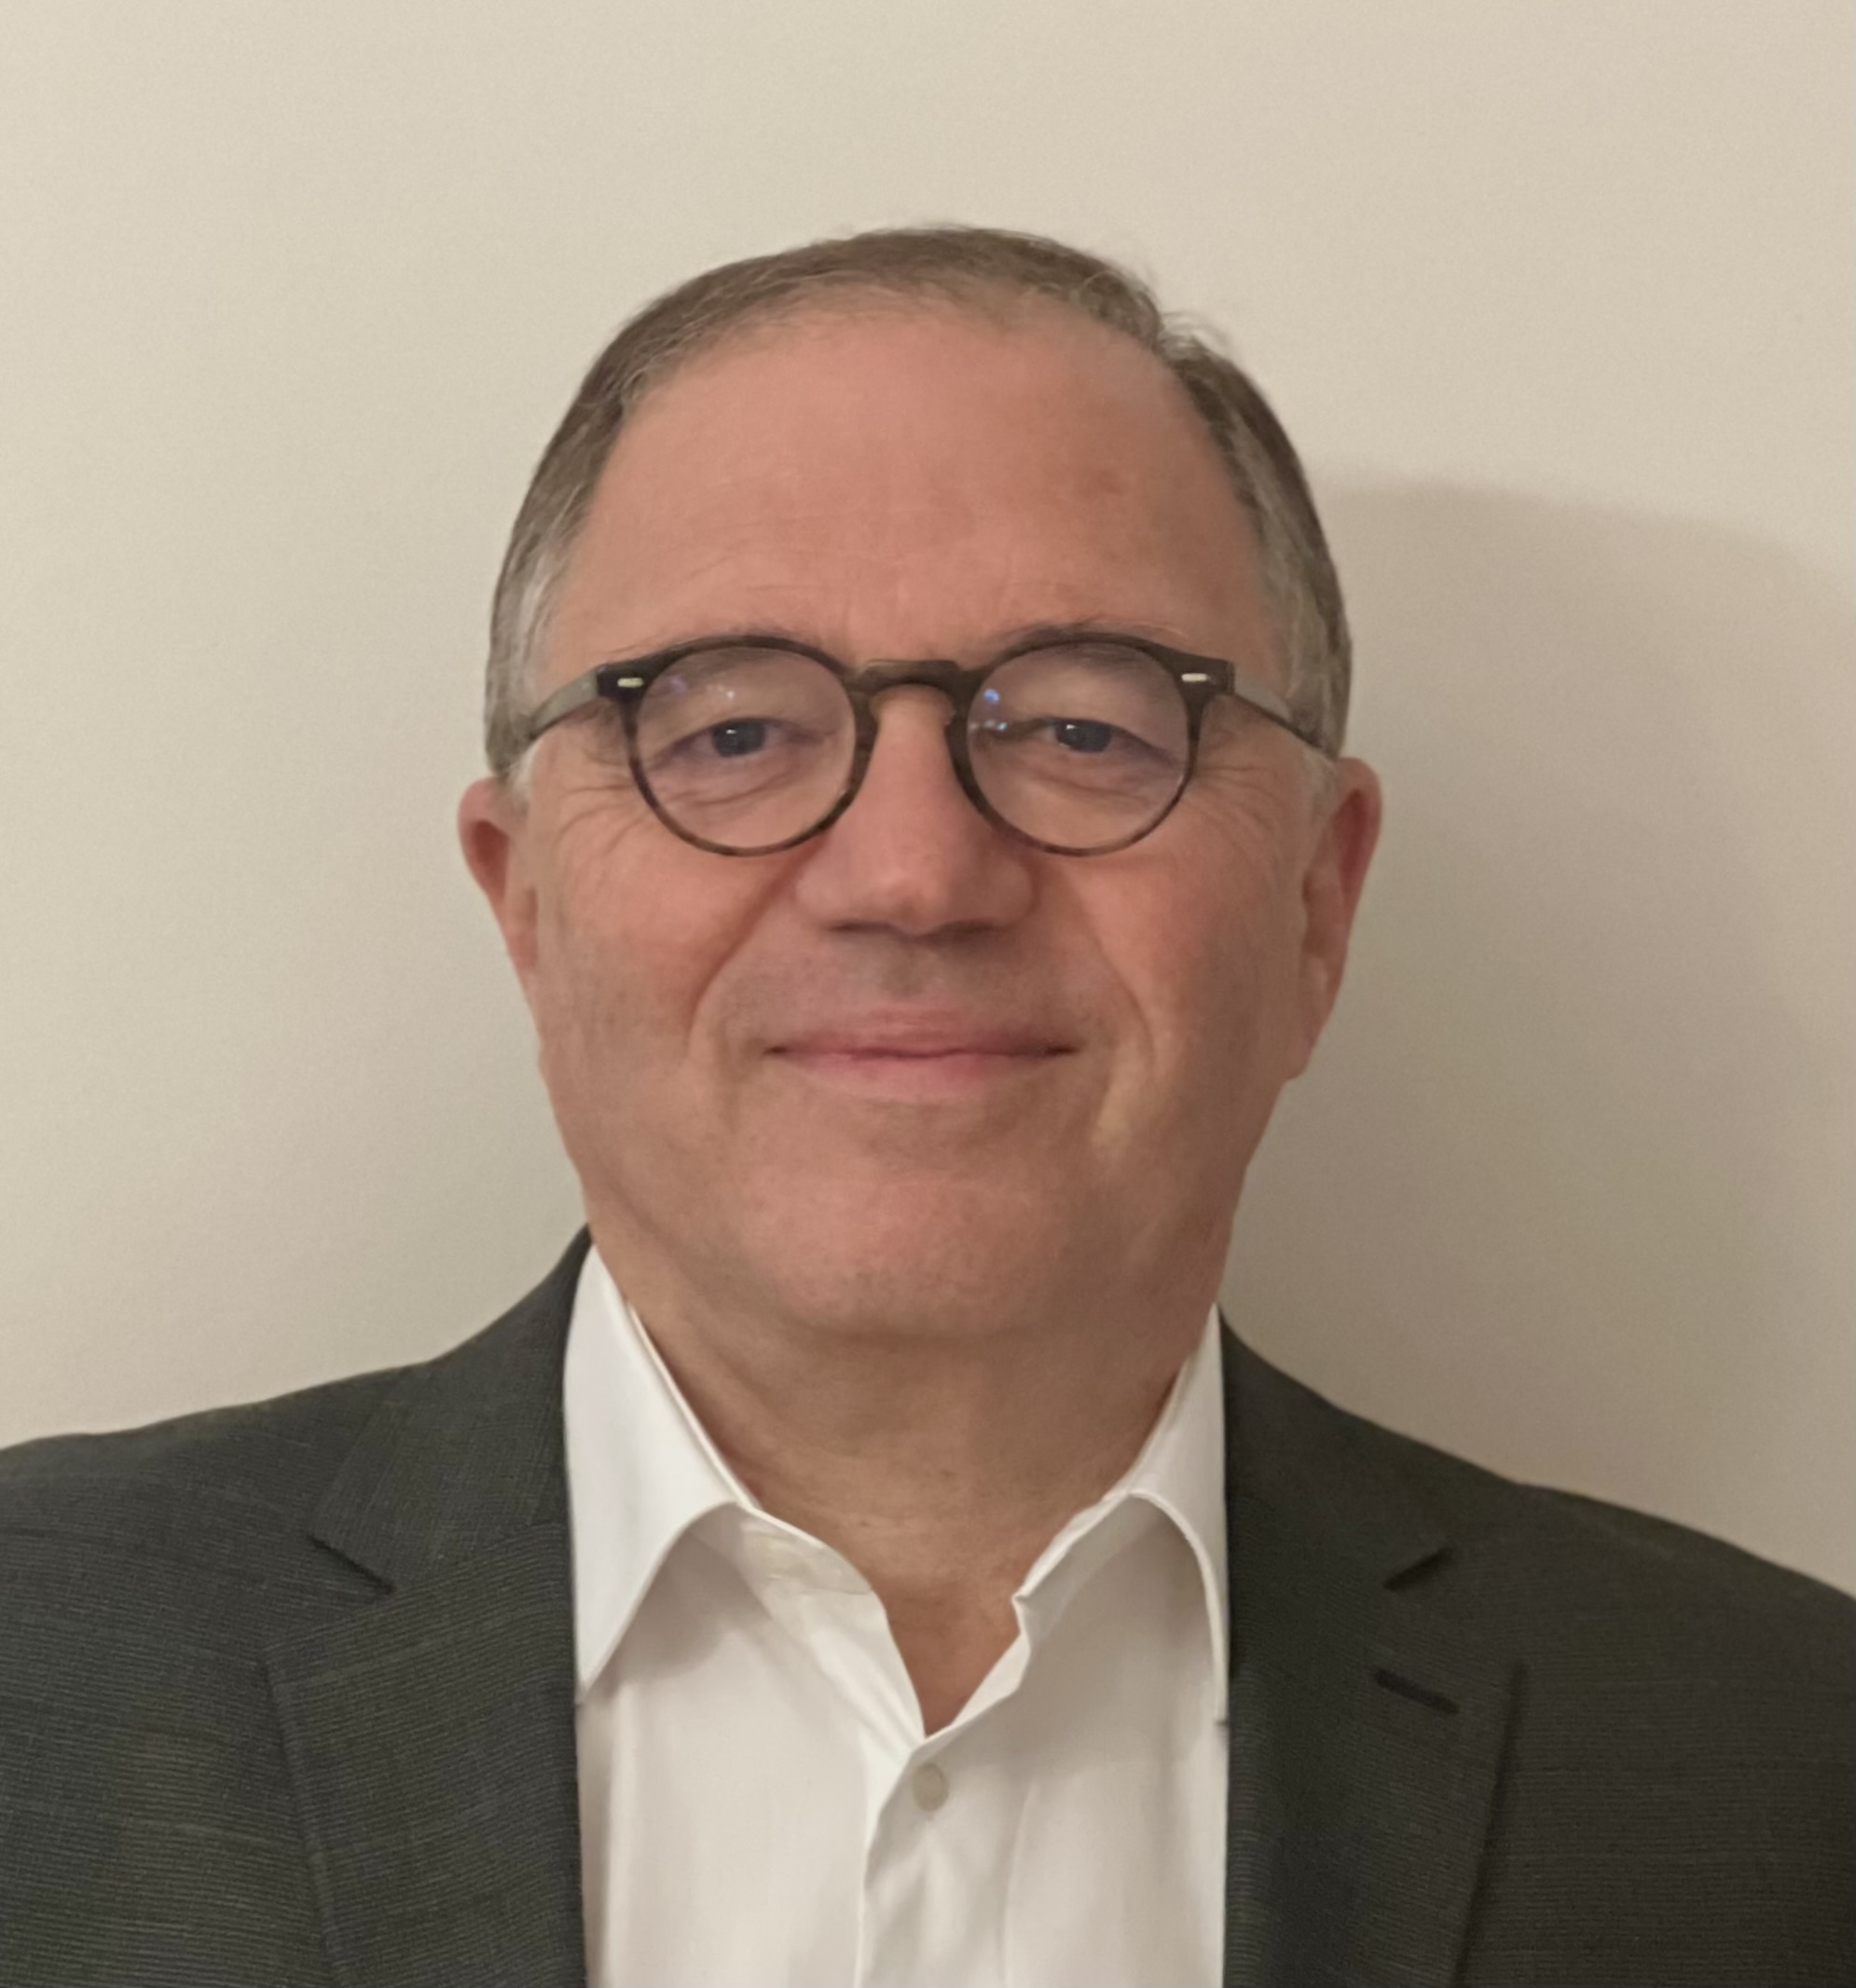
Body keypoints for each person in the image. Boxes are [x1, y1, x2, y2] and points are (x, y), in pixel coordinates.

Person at [0, 226, 1849, 1988]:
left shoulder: (1781, 1765)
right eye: (729, 729)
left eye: (1086, 727)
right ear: (526, 904)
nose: (911, 873)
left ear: (1315, 900)